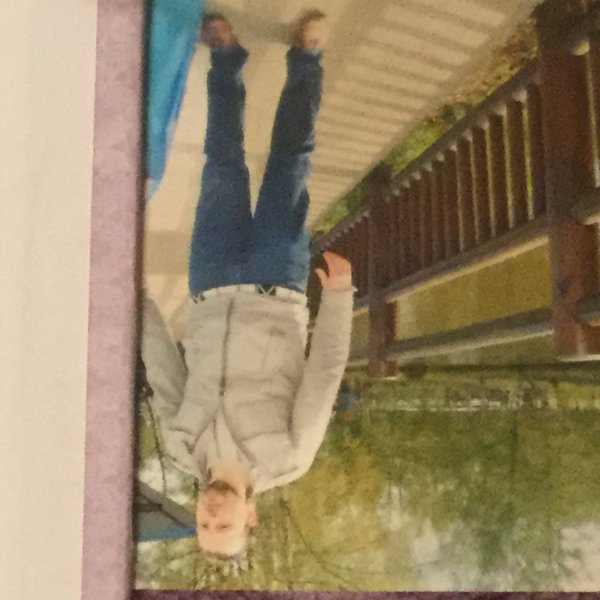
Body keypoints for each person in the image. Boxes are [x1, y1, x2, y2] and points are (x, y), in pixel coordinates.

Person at [141, 9, 354, 562]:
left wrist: (134, 302)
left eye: (204, 524)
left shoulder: (182, 446)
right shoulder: (289, 457)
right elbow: (324, 376)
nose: (211, 514)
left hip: (210, 282)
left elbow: (162, 367)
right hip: (276, 284)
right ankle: (306, 61)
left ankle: (226, 61)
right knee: (289, 165)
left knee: (221, 166)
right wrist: (338, 300)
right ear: (249, 517)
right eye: (224, 525)